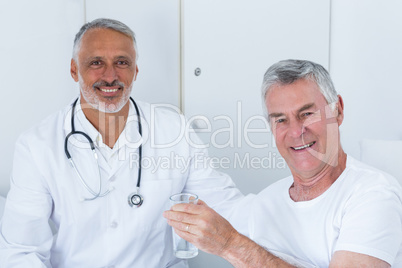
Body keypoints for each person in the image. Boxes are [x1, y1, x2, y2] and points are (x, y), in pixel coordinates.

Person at [0, 18, 243, 267]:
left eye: (122, 62)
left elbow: (227, 208)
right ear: (74, 70)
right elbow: (22, 250)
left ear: (135, 70)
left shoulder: (174, 129)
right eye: (96, 62)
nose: (110, 75)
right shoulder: (37, 145)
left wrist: (282, 201)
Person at [164, 59, 402, 267]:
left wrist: (229, 245)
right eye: (281, 120)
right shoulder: (266, 202)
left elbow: (233, 244)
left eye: (307, 114)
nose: (296, 131)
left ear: (337, 110)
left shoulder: (372, 194)